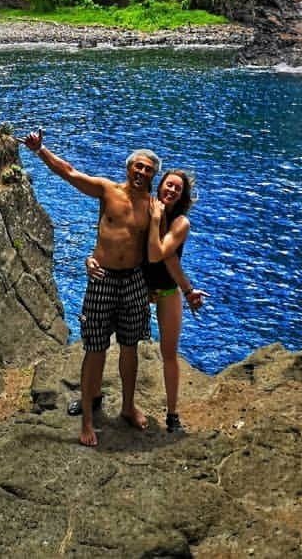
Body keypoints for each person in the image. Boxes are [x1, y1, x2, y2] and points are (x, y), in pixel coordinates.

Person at [22, 128, 158, 447]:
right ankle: (87, 418)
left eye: (148, 169)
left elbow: (162, 249)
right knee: (95, 348)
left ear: (154, 175)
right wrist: (40, 150)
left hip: (134, 280)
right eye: (137, 166)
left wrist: (156, 288)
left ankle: (127, 407)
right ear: (128, 168)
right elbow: (68, 172)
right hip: (102, 278)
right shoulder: (107, 190)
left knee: (130, 346)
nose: (141, 172)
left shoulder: (154, 207)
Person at [86, 167, 207, 432]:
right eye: (169, 185)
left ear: (183, 195)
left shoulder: (180, 222)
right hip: (138, 286)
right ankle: (92, 397)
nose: (172, 190)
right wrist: (92, 258)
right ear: (159, 185)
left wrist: (186, 291)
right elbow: (119, 235)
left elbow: (161, 256)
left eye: (178, 188)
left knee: (169, 353)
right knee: (105, 340)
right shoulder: (148, 206)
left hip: (165, 290)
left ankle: (173, 415)